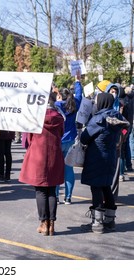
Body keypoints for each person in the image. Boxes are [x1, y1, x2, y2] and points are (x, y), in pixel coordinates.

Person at [80, 92, 129, 234]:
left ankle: (97, 223)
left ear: (101, 102)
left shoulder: (98, 119)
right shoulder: (117, 116)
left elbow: (85, 138)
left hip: (97, 157)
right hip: (111, 156)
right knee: (106, 186)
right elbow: (126, 128)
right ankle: (110, 221)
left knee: (96, 188)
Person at [19, 93, 65, 236]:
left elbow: (27, 140)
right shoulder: (59, 118)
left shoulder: (34, 118)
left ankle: (43, 223)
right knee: (52, 190)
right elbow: (61, 134)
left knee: (40, 191)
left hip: (37, 156)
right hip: (54, 156)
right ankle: (51, 225)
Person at [55, 76, 83, 205]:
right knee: (69, 169)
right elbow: (79, 95)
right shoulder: (75, 103)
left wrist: (56, 95)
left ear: (60, 95)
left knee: (56, 168)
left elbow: (53, 103)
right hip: (71, 140)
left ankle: (55, 196)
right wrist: (78, 81)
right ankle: (68, 197)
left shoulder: (58, 105)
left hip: (59, 140)